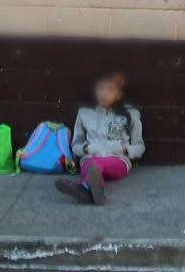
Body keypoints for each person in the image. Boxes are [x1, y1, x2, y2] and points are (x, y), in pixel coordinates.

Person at [55, 71, 144, 206]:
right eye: (100, 88)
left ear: (118, 94)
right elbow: (75, 145)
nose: (104, 93)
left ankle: (83, 188)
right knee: (93, 167)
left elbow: (139, 146)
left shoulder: (130, 114)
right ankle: (91, 192)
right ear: (95, 91)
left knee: (94, 167)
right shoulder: (84, 113)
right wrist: (85, 148)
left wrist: (124, 149)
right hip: (90, 158)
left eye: (109, 89)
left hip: (118, 160)